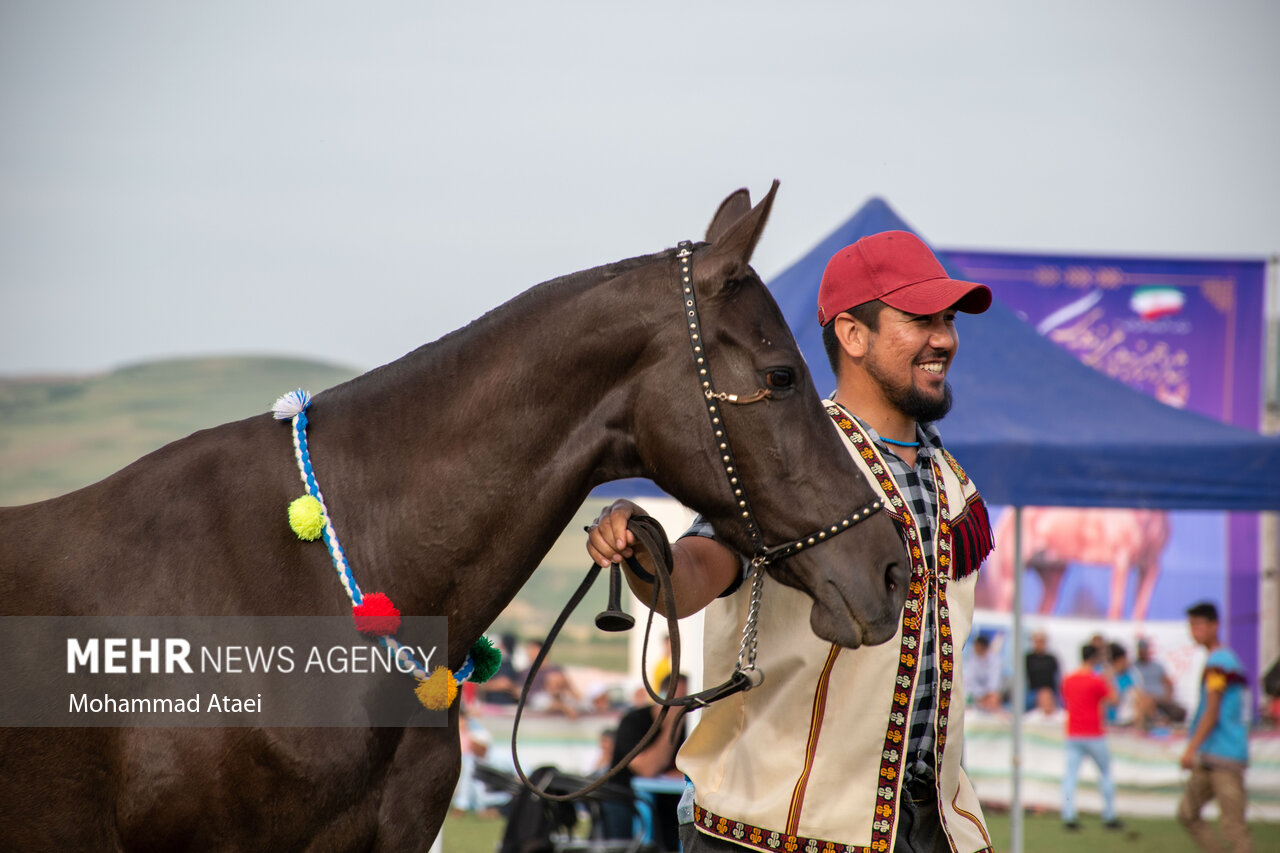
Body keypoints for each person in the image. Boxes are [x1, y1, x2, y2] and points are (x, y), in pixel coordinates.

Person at [587, 231, 995, 853]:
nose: (943, 338)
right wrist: (646, 550)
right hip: (776, 830)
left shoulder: (953, 482)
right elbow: (698, 573)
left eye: (947, 320)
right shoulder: (787, 456)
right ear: (853, 336)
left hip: (933, 829)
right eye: (919, 320)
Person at [1178, 602, 1252, 852]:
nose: (1194, 631)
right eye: (1191, 625)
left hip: (1224, 753)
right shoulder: (1220, 659)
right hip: (1211, 753)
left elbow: (1212, 711)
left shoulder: (1219, 662)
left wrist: (1190, 748)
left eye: (1199, 624)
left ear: (1214, 626)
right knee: (1187, 813)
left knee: (1233, 827)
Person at [600, 674, 690, 852]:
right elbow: (647, 769)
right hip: (627, 799)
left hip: (669, 802)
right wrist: (672, 725)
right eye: (681, 699)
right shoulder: (634, 722)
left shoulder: (693, 725)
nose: (686, 707)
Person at [1059, 643, 1122, 831]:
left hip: (1073, 733)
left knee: (1070, 776)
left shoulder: (1069, 679)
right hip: (1094, 733)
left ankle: (1069, 815)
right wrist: (1110, 678)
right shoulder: (1097, 680)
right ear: (1094, 658)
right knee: (1105, 774)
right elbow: (1114, 700)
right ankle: (1109, 815)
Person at [1133, 636, 1186, 728]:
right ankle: (1155, 721)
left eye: (1144, 649)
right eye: (1141, 650)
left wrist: (1167, 697)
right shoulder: (1134, 667)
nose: (1142, 652)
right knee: (1147, 701)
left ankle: (1160, 720)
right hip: (1143, 699)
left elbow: (1168, 683)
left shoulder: (1157, 666)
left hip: (1160, 698)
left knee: (1180, 712)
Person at [1106, 642, 1143, 727]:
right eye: (1125, 659)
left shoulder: (1132, 674)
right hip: (1109, 719)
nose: (1127, 662)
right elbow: (1112, 700)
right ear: (1118, 661)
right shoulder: (1104, 675)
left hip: (1127, 718)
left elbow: (1139, 696)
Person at [965, 634, 1004, 712]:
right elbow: (969, 681)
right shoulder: (971, 660)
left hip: (990, 695)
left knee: (993, 698)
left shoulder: (994, 660)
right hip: (976, 695)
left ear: (984, 647)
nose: (976, 650)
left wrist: (988, 695)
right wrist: (980, 695)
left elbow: (994, 682)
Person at [1024, 629, 1061, 712]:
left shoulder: (1051, 658)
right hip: (1032, 692)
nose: (1039, 644)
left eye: (1041, 641)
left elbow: (1057, 677)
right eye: (1037, 641)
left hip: (1049, 692)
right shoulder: (1027, 658)